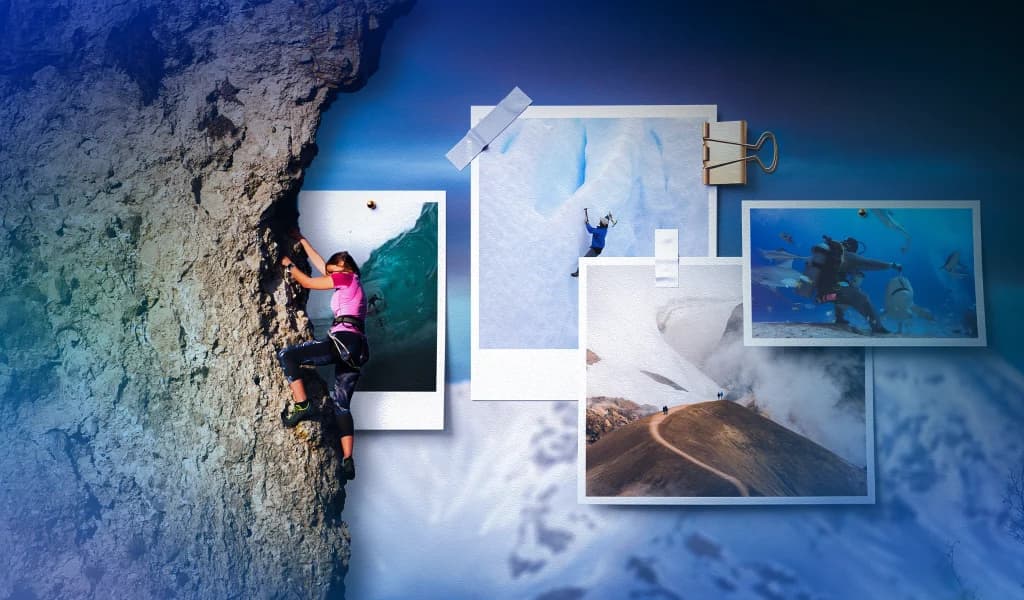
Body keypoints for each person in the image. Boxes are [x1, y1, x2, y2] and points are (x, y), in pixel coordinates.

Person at [276, 230, 369, 481]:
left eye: (332, 270)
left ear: (343, 266)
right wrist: (303, 240)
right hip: (357, 349)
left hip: (342, 341)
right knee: (341, 405)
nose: (329, 275)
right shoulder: (354, 286)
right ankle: (348, 459)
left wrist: (289, 265)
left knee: (288, 355)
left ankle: (302, 404)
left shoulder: (346, 277)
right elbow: (321, 266)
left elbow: (307, 282)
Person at [804, 235, 900, 334]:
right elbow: (869, 263)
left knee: (843, 287)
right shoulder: (847, 255)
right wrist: (890, 265)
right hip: (833, 292)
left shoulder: (830, 254)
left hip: (822, 293)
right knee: (862, 298)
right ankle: (878, 328)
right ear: (853, 248)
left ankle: (839, 318)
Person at [571, 210, 613, 277]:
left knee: (584, 260)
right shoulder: (604, 228)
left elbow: (590, 230)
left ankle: (579, 273)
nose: (600, 222)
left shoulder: (600, 231)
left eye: (601, 222)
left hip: (596, 249)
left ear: (602, 224)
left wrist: (587, 223)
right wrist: (608, 216)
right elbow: (605, 221)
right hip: (597, 248)